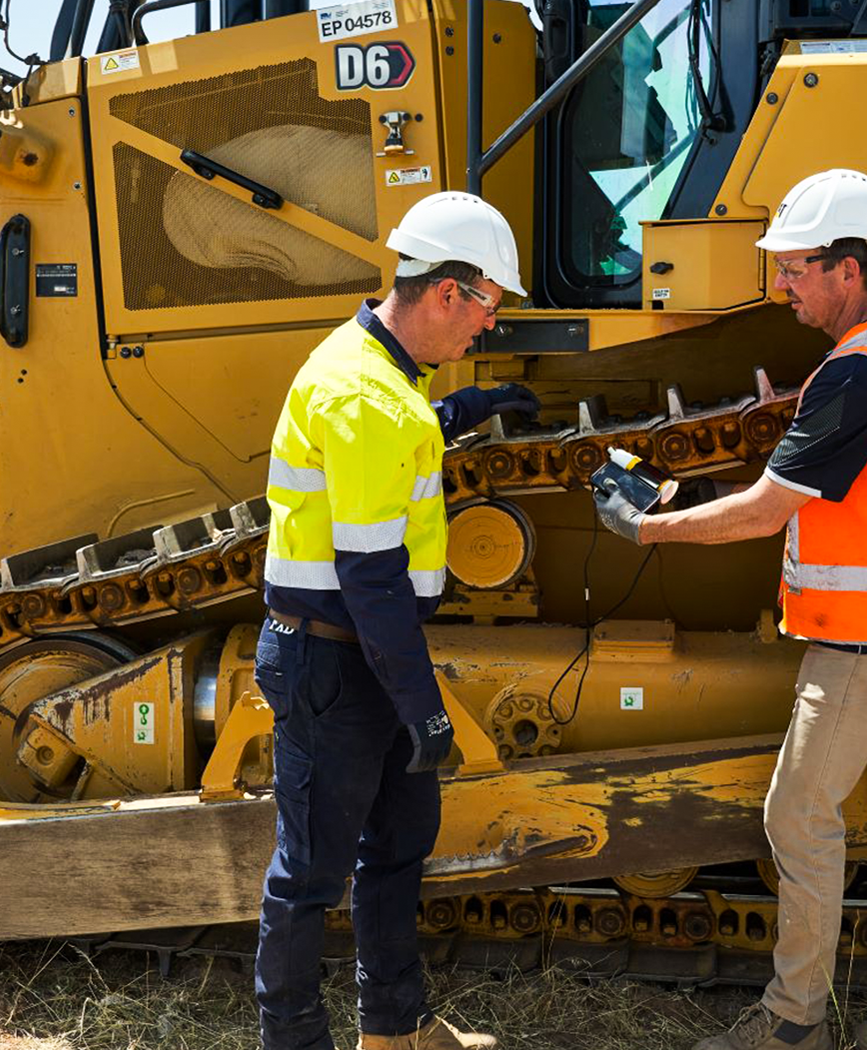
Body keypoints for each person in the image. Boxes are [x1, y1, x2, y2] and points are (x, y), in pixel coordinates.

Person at [593, 169, 867, 1050]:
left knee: (796, 817)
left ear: (847, 270)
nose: (781, 285)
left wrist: (649, 530)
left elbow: (770, 510)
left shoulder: (860, 374)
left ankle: (791, 1022)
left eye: (796, 268)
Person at [255, 191, 539, 1050]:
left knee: (399, 843)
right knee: (310, 875)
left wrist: (468, 408)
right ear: (447, 292)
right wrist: (422, 705)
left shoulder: (384, 376)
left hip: (363, 657)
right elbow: (372, 574)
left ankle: (396, 1030)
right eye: (487, 307)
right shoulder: (365, 394)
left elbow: (397, 441)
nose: (486, 327)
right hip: (336, 663)